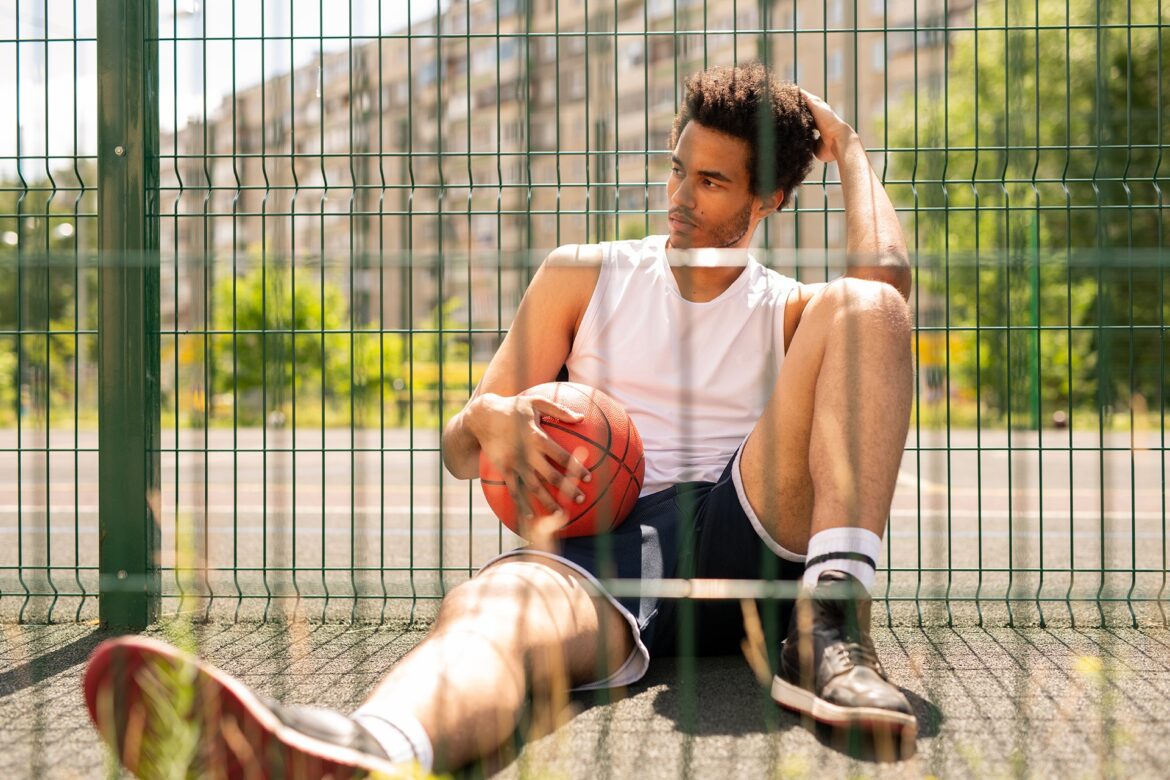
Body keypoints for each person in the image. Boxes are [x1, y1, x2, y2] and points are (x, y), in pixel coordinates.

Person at [84, 63, 916, 778]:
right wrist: (492, 415)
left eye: (712, 182)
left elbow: (888, 288)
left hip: (751, 529)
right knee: (492, 614)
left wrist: (848, 150)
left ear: (769, 198)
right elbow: (457, 449)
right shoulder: (583, 277)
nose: (680, 199)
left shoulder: (790, 311)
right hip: (605, 550)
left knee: (867, 303)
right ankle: (366, 747)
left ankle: (830, 628)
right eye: (676, 170)